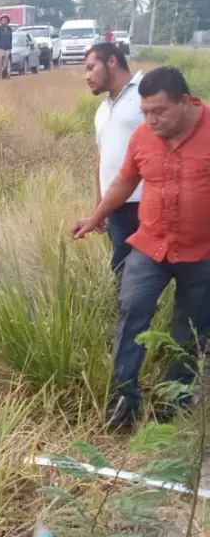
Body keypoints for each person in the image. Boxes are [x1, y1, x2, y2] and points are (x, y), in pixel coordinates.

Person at [71, 67, 210, 430]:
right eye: (146, 112)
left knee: (190, 330)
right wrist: (94, 217)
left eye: (159, 111)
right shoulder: (143, 136)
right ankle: (124, 402)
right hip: (151, 248)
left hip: (203, 253)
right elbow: (124, 181)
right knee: (131, 316)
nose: (151, 120)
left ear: (186, 101)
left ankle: (175, 402)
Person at [85, 42, 144, 279]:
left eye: (91, 68)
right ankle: (130, 316)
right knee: (123, 269)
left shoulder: (146, 93)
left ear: (112, 61)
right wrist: (99, 208)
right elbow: (102, 159)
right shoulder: (102, 109)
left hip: (146, 201)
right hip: (117, 207)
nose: (86, 76)